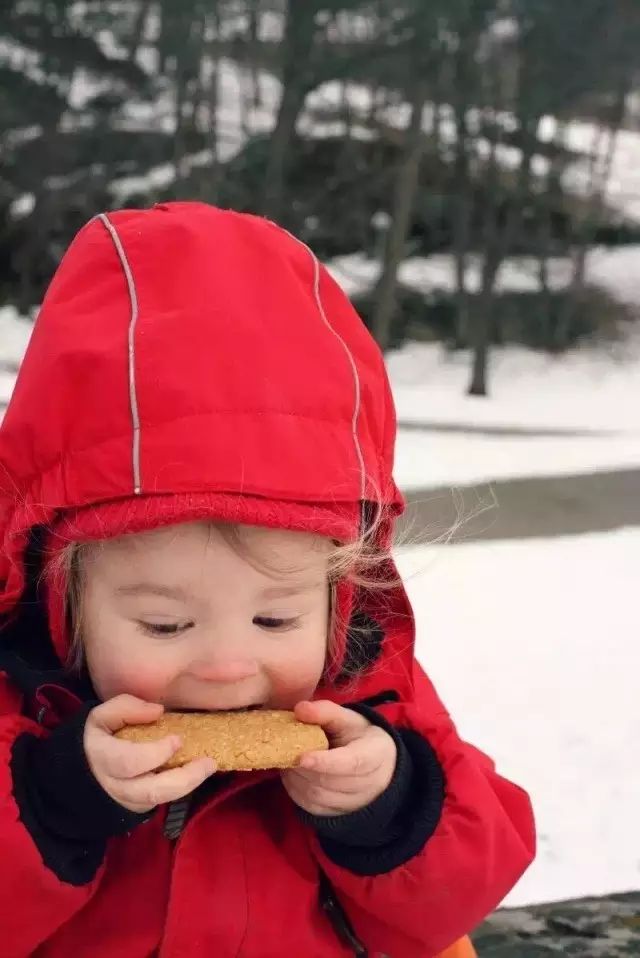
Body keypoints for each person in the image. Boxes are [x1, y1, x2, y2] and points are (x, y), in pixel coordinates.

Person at [0, 202, 534, 958]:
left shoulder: (374, 698)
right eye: (164, 624)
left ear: (339, 595)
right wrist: (53, 801)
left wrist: (390, 805)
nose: (226, 667)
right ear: (63, 597)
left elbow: (465, 886)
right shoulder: (20, 711)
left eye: (276, 621)